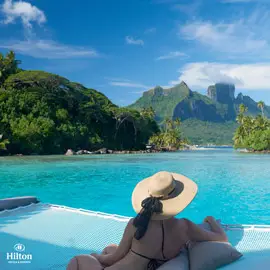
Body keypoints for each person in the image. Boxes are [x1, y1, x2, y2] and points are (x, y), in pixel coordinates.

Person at [67, 171, 228, 270]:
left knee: (78, 260)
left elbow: (113, 259)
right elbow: (222, 238)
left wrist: (96, 257)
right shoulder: (185, 227)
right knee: (110, 247)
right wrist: (211, 220)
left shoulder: (136, 223)